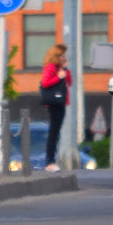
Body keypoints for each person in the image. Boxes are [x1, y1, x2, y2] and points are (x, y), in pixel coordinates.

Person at [41, 43, 72, 173]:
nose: (65, 57)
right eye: (62, 55)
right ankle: (49, 162)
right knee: (53, 132)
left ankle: (51, 160)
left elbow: (69, 82)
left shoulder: (60, 68)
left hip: (61, 103)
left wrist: (65, 69)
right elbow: (45, 82)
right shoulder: (50, 67)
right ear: (56, 56)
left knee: (56, 131)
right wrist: (58, 77)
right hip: (54, 103)